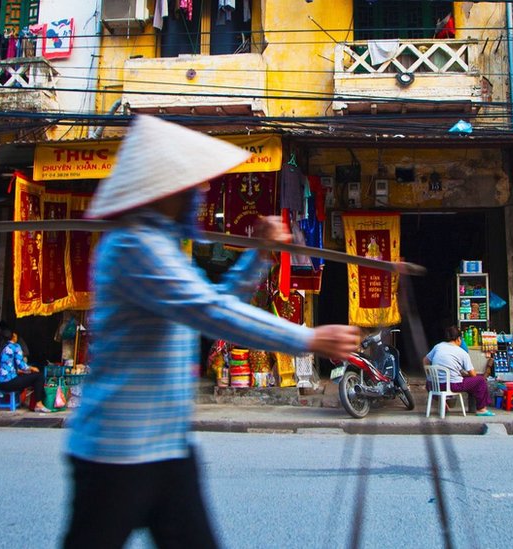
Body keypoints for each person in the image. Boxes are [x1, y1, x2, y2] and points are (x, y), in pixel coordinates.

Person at [62, 116, 361, 549]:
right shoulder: (134, 246)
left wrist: (258, 255)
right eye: (192, 183)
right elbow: (210, 311)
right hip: (116, 450)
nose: (201, 192)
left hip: (166, 448)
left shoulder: (162, 245)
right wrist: (308, 338)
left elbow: (215, 301)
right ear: (165, 189)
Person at [424, 325, 493, 416]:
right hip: (453, 385)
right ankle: (481, 409)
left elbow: (425, 360)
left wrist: (428, 374)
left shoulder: (438, 347)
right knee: (480, 381)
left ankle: (442, 402)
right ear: (459, 339)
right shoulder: (462, 352)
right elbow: (473, 374)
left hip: (433, 385)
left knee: (428, 383)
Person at [0, 326, 51, 413]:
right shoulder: (14, 346)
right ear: (14, 336)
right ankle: (38, 404)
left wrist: (22, 371)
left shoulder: (0, 347)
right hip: (9, 383)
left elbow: (6, 365)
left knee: (31, 377)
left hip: (1, 383)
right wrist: (32, 368)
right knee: (39, 377)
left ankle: (32, 402)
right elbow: (22, 365)